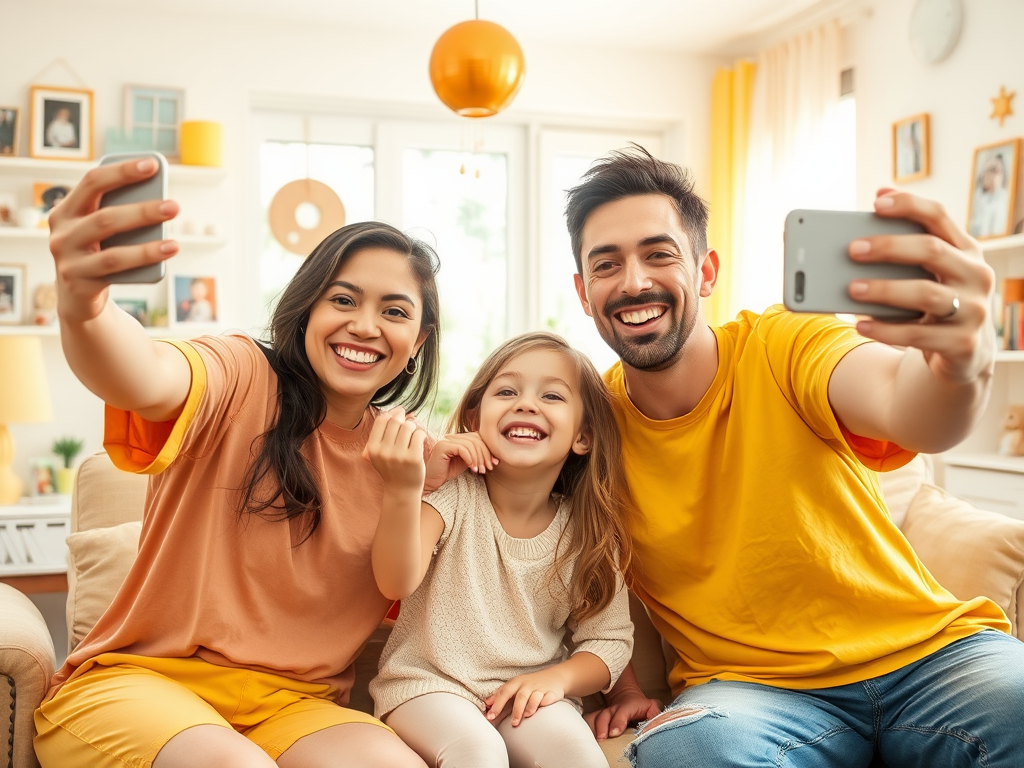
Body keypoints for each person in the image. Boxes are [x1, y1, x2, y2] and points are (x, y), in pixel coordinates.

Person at [565, 147, 1024, 767]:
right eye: (606, 264)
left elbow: (907, 405)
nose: (635, 281)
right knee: (686, 753)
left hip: (931, 657)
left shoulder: (784, 342)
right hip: (752, 697)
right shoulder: (589, 429)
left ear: (705, 271)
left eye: (659, 253)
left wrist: (960, 362)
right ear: (584, 293)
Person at [34, 156, 441, 768]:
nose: (365, 325)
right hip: (144, 683)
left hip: (296, 705)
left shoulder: (406, 457)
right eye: (343, 299)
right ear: (307, 309)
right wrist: (85, 306)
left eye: (395, 311)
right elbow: (146, 376)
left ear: (419, 342)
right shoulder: (242, 374)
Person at [365, 331, 636, 768]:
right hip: (428, 686)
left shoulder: (587, 533)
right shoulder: (450, 497)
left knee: (577, 757)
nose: (526, 403)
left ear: (583, 436)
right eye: (507, 391)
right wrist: (407, 488)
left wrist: (558, 679)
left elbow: (608, 640)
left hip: (526, 694)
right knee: (478, 753)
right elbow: (395, 580)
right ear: (475, 419)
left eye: (552, 396)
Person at [968, 151, 1010, 238]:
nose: (988, 175)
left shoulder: (1006, 201)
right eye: (986, 170)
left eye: (994, 170)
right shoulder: (976, 198)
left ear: (1003, 175)